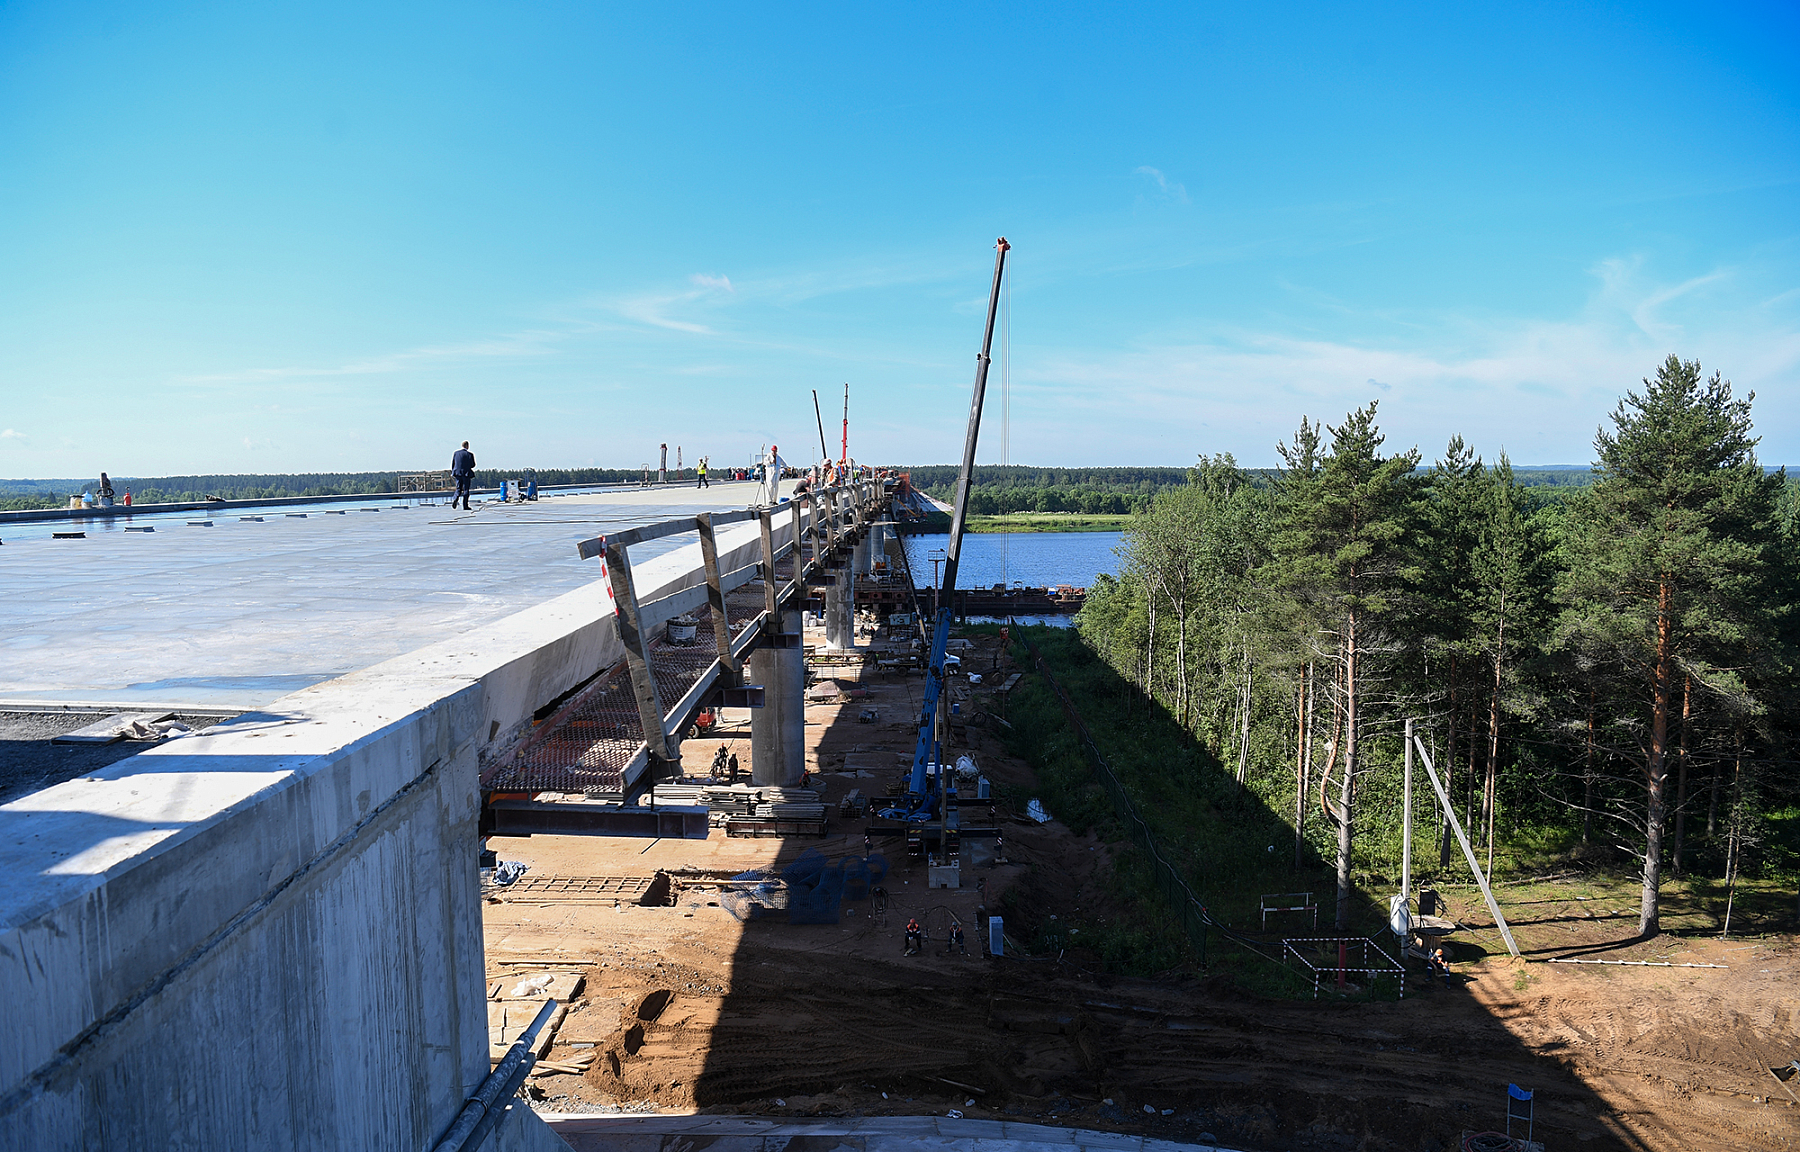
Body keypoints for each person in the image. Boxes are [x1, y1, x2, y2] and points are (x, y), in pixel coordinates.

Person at [450, 441, 475, 510]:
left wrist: (453, 472)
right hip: (466, 473)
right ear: (467, 446)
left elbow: (453, 464)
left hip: (457, 473)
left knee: (458, 488)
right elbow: (473, 465)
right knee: (466, 489)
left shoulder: (456, 453)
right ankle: (465, 505)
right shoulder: (469, 454)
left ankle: (455, 498)